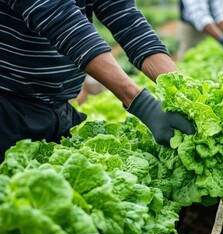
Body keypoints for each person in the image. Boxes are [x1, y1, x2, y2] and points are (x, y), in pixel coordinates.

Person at [0, 0, 195, 162]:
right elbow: (60, 19)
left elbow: (125, 17)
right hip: (9, 107)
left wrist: (183, 92)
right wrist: (143, 105)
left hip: (57, 107)